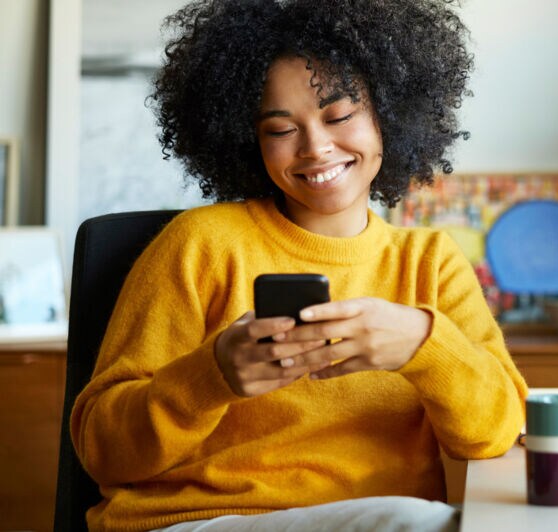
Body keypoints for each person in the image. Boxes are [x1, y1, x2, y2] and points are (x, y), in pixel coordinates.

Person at [69, 0, 528, 530]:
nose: (316, 147)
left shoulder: (430, 263)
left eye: (340, 116)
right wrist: (212, 376)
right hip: (198, 520)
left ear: (389, 115)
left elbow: (498, 431)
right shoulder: (200, 244)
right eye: (281, 130)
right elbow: (102, 450)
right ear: (249, 140)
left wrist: (425, 345)